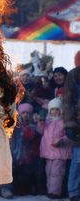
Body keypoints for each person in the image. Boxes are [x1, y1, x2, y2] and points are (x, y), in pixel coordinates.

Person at [38, 97, 71, 199]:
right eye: (52, 109)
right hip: (48, 152)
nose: (55, 111)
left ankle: (55, 192)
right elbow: (40, 131)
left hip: (60, 152)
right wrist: (40, 123)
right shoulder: (47, 121)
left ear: (60, 111)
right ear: (49, 110)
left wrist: (62, 140)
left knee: (57, 173)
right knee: (49, 172)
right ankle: (50, 190)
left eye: (57, 109)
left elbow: (68, 136)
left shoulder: (64, 122)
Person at [11, 102, 41, 195]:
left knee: (28, 173)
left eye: (28, 113)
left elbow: (31, 136)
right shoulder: (16, 126)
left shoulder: (34, 126)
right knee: (18, 174)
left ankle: (29, 189)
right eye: (23, 113)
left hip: (30, 156)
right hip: (17, 155)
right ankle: (19, 190)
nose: (26, 115)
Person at [62, 65, 80, 201]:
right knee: (78, 160)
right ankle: (73, 191)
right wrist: (69, 123)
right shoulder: (74, 74)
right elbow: (67, 101)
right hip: (78, 123)